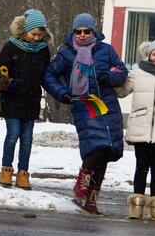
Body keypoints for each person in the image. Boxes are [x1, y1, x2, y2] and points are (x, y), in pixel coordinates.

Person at [43, 13, 128, 213]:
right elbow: (49, 75)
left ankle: (92, 198)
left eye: (86, 31)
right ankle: (82, 183)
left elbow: (121, 71)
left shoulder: (105, 50)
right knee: (96, 146)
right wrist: (62, 93)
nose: (82, 35)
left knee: (107, 150)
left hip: (106, 104)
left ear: (93, 31)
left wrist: (109, 76)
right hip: (83, 104)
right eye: (78, 31)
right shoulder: (66, 54)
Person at [115, 37, 155, 221]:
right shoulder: (137, 73)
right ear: (148, 55)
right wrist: (110, 80)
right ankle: (136, 205)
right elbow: (122, 91)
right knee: (141, 166)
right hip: (140, 127)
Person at [0, 9, 51, 190]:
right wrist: (8, 83)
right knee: (13, 135)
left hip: (31, 100)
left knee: (27, 138)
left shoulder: (42, 50)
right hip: (12, 99)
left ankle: (23, 173)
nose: (36, 38)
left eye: (40, 35)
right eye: (34, 34)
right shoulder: (11, 46)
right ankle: (6, 169)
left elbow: (46, 74)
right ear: (25, 30)